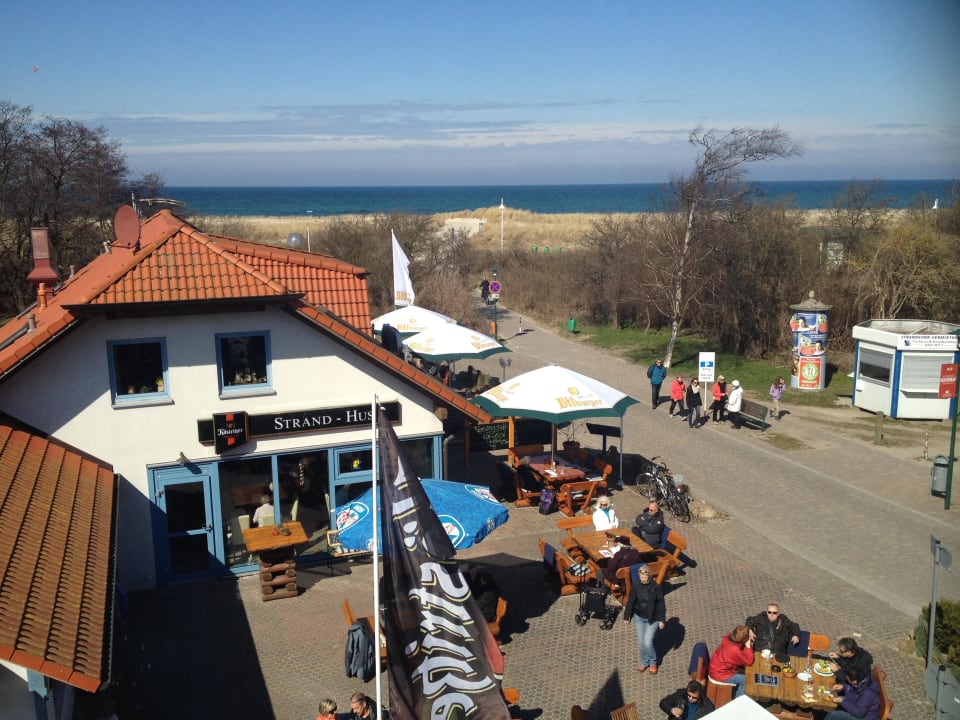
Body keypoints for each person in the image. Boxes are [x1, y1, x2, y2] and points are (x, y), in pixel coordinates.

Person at [622, 563, 666, 673]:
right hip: (639, 618)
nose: (642, 579)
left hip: (653, 619)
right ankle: (644, 662)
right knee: (641, 643)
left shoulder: (656, 588)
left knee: (647, 643)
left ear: (649, 576)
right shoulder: (636, 586)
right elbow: (631, 601)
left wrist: (661, 619)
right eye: (641, 577)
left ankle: (652, 662)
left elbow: (661, 604)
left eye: (644, 577)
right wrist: (627, 616)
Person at [708, 624, 755, 697]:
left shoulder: (727, 638)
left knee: (742, 671)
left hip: (715, 668)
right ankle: (738, 701)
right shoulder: (734, 650)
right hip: (719, 674)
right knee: (745, 680)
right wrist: (748, 647)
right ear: (743, 640)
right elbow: (749, 662)